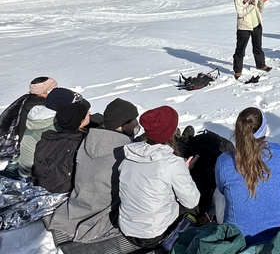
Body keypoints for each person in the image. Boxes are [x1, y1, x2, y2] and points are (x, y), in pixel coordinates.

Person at [49, 98, 140, 243]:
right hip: (98, 216)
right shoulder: (126, 153)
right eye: (134, 119)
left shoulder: (89, 140)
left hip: (76, 207)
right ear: (122, 125)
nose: (137, 123)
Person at [118, 106, 200, 249]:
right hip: (154, 235)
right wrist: (184, 172)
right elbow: (191, 201)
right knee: (199, 195)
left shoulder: (129, 154)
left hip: (127, 228)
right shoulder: (173, 163)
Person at [215, 107, 280, 244]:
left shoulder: (224, 161)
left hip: (239, 239)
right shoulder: (279, 152)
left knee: (218, 192)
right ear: (264, 130)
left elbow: (222, 189)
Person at [32, 102, 91, 193]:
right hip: (65, 192)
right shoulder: (81, 143)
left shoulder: (46, 140)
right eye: (86, 114)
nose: (90, 113)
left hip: (43, 188)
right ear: (81, 121)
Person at [233, 0, 271, 80]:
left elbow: (260, 10)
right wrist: (251, 4)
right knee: (240, 49)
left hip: (256, 23)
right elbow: (240, 13)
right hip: (244, 26)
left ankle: (261, 65)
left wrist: (261, 2)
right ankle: (238, 70)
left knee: (258, 47)